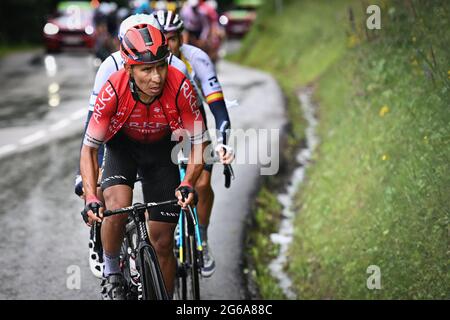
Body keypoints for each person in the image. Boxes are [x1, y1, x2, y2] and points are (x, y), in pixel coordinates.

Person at [80, 22, 206, 300]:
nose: (157, 77)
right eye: (146, 69)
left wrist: (187, 181)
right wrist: (90, 195)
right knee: (116, 207)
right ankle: (113, 273)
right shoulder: (113, 90)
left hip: (162, 153)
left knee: (163, 243)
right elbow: (89, 149)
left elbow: (200, 143)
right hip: (122, 148)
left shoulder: (180, 86)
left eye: (161, 66)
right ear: (129, 68)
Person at [155, 9, 234, 277]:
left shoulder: (196, 58)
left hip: (193, 124)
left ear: (181, 37)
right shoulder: (147, 64)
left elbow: (218, 108)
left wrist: (223, 142)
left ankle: (202, 237)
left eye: (172, 39)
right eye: (161, 39)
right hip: (159, 127)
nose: (167, 46)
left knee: (201, 182)